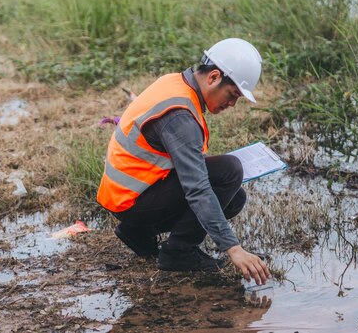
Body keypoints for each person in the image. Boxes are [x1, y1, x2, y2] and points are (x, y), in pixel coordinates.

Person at [96, 38, 271, 285]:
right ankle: (178, 253)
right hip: (130, 202)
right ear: (213, 77)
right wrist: (234, 248)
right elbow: (197, 188)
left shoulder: (174, 82)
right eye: (232, 95)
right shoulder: (179, 116)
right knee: (229, 171)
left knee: (235, 198)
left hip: (127, 195)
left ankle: (138, 232)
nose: (232, 104)